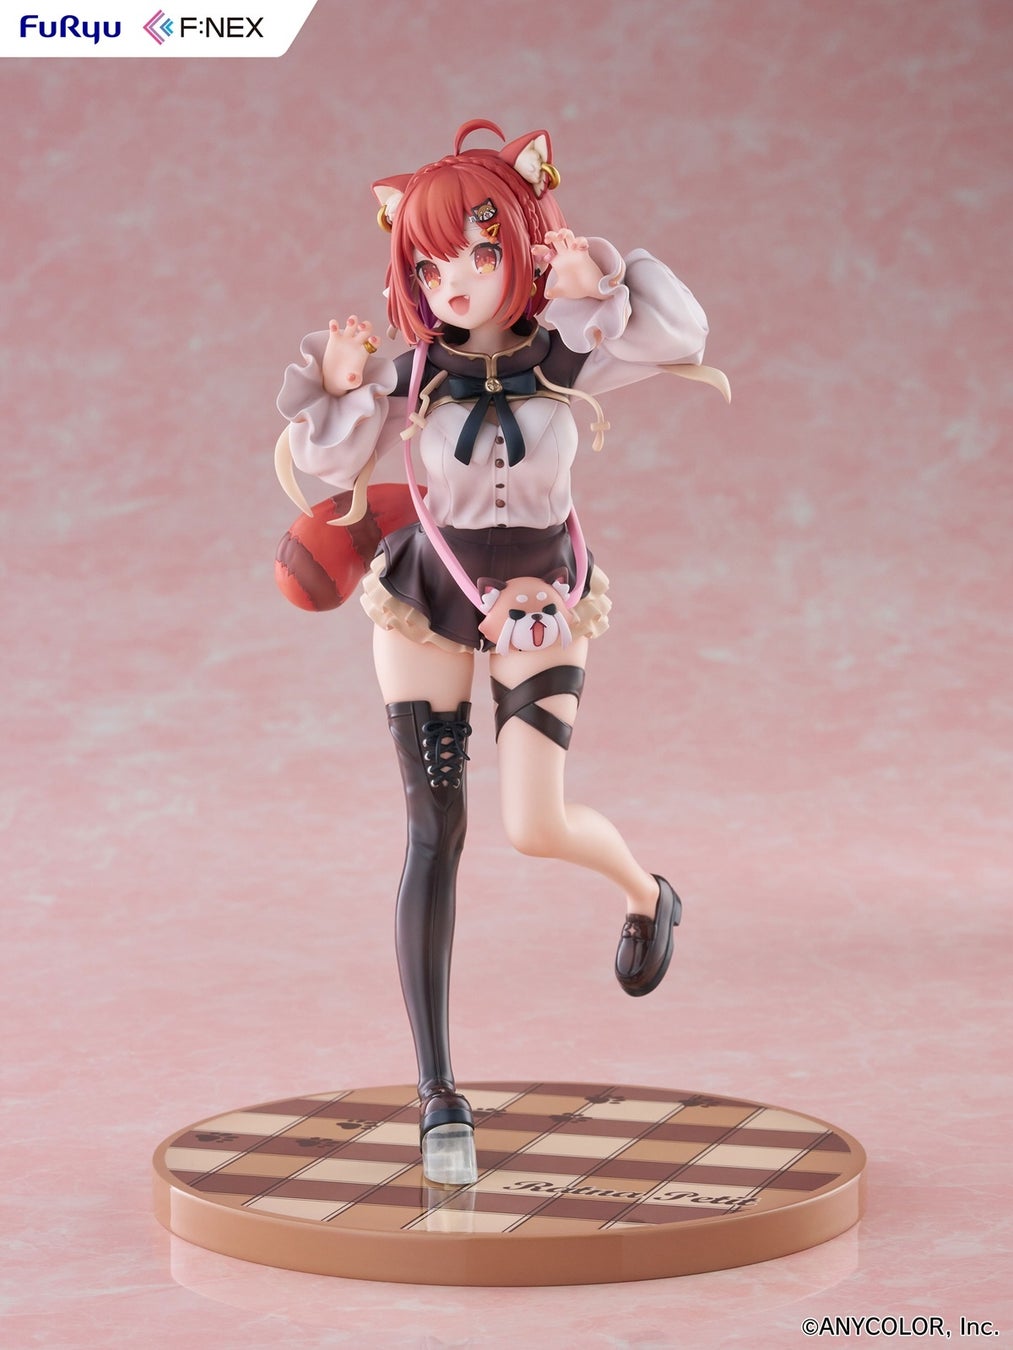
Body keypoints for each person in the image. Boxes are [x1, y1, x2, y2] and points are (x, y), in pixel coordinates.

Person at [276, 120, 726, 1184]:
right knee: (433, 831)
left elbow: (681, 334)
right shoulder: (413, 377)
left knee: (533, 824)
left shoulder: (571, 348)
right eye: (430, 264)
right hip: (428, 597)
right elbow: (321, 458)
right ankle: (438, 1093)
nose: (455, 282)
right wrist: (338, 381)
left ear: (521, 243)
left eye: (478, 252)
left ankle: (645, 893)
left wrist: (591, 278)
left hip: (539, 599)